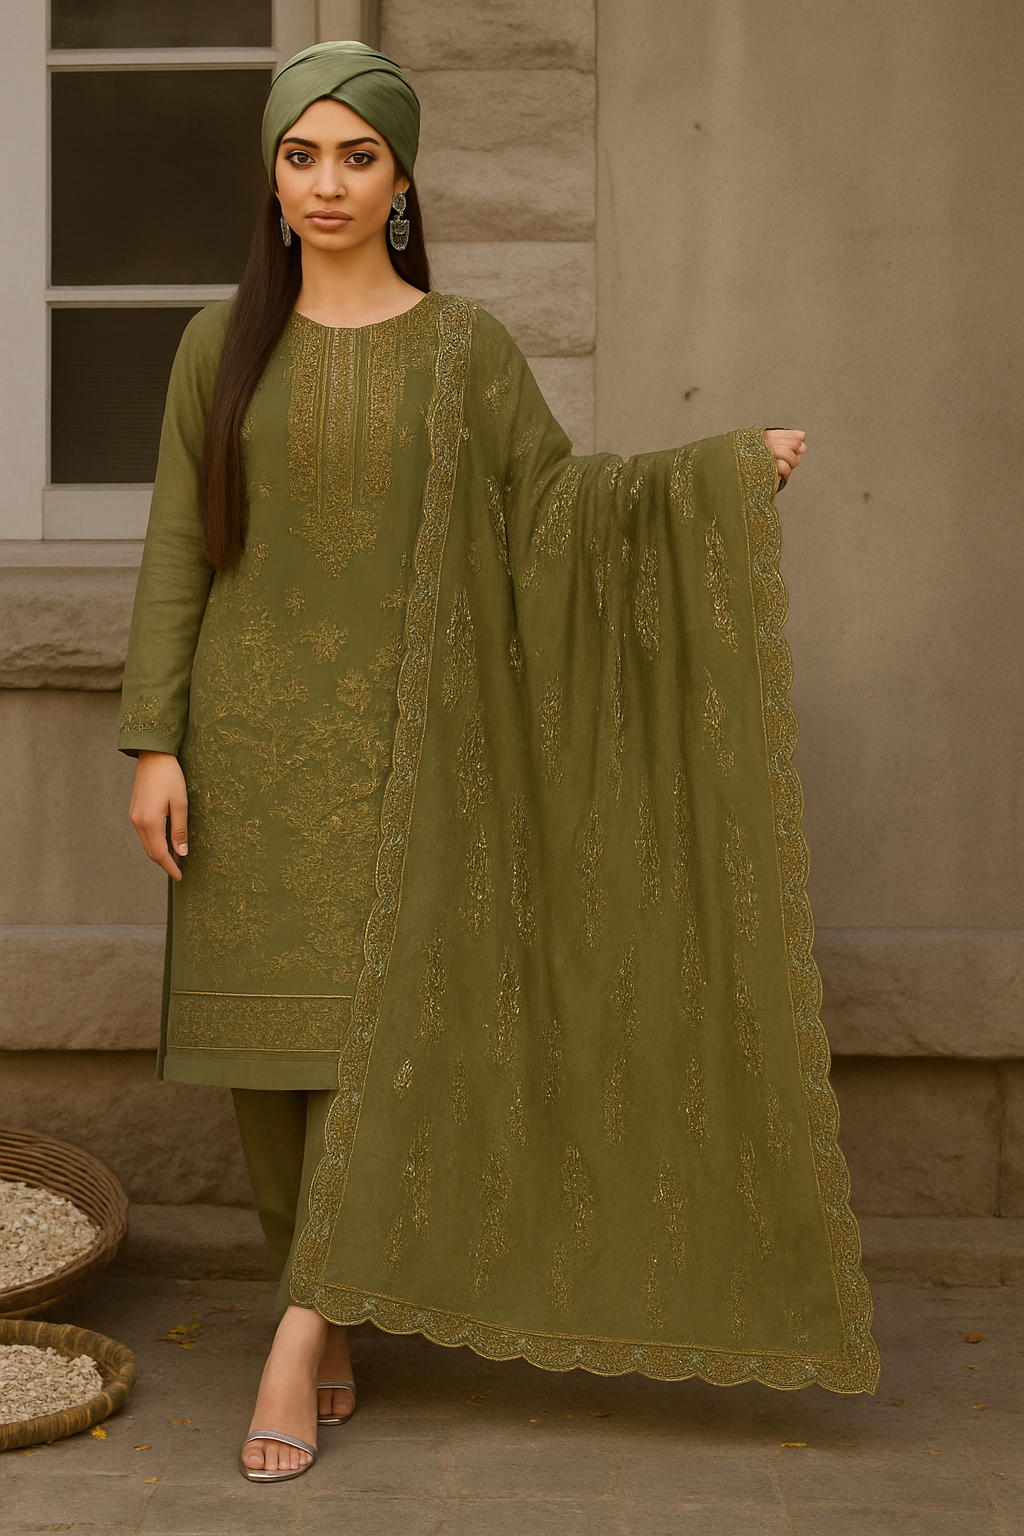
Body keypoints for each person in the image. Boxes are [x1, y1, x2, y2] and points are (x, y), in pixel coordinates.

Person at [120, 41, 878, 1484]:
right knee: (261, 1057)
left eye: (358, 156)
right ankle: (323, 1305)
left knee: (367, 1049)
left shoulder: (466, 351)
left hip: (407, 760)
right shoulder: (218, 349)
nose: (327, 182)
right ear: (271, 178)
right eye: (302, 155)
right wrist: (155, 741)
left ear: (404, 179)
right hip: (246, 740)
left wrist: (712, 481)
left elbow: (554, 515)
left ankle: (294, 1328)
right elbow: (176, 548)